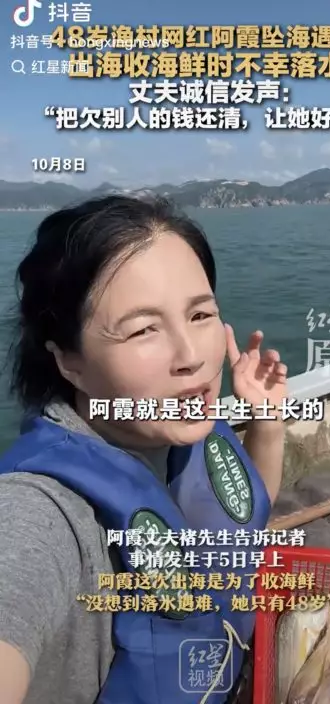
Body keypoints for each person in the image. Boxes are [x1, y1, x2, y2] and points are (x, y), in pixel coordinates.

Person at [0, 195, 287, 704]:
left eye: (200, 314)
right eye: (143, 329)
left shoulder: (178, 430)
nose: (191, 356)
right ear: (69, 361)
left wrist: (266, 418)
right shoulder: (40, 511)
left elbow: (243, 510)